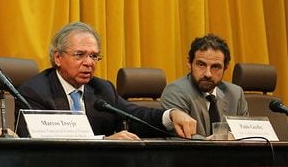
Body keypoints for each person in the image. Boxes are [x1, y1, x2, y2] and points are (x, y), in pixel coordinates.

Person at [14, 22, 197, 139]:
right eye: (80, 55)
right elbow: (45, 143)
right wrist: (104, 141)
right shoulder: (35, 91)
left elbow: (136, 117)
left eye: (94, 56)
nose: (88, 63)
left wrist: (171, 115)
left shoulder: (102, 89)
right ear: (58, 58)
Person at [160, 33, 248, 137]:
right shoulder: (175, 91)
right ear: (189, 62)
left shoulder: (236, 94)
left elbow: (245, 135)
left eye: (215, 67)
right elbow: (182, 139)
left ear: (225, 68)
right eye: (201, 65)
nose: (208, 74)